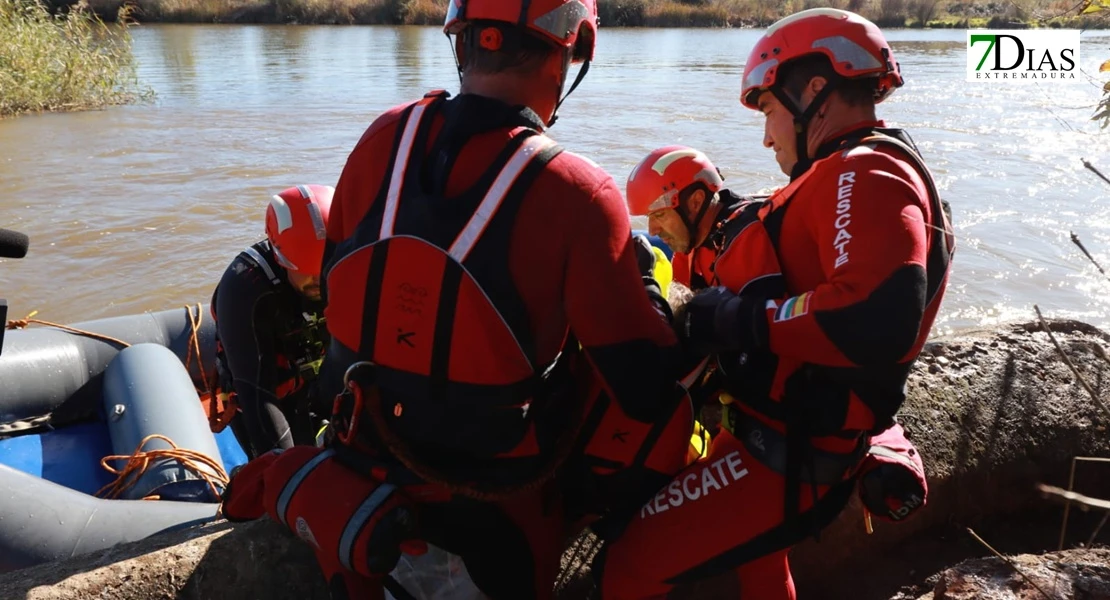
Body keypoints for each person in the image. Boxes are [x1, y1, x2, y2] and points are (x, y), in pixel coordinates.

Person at [220, 1, 693, 599]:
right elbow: (645, 390)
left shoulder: (382, 135)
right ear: (568, 56)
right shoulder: (580, 191)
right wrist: (644, 275)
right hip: (493, 517)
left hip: (358, 493)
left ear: (463, 42)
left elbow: (346, 285)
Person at [596, 8, 954, 599]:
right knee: (763, 567)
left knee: (632, 558)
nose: (766, 136)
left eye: (766, 109)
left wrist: (729, 319)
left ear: (812, 88)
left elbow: (875, 317)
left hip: (787, 453)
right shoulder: (844, 173)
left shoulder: (864, 170)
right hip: (781, 436)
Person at [210, 184, 333, 459]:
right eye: (307, 273)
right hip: (271, 392)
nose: (320, 282)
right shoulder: (245, 288)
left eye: (325, 271)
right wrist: (288, 471)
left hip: (324, 378)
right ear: (280, 257)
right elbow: (258, 397)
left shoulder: (347, 266)